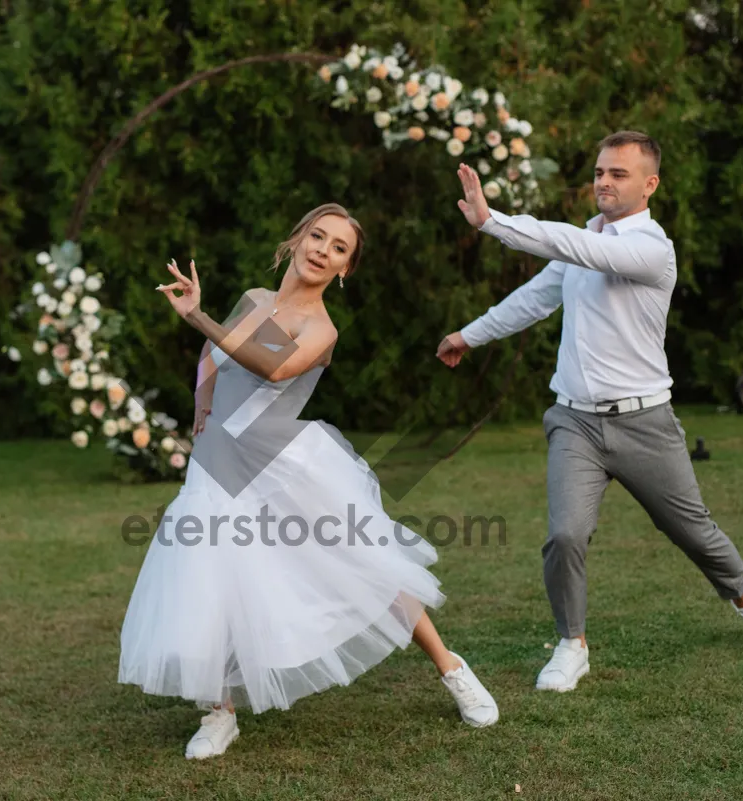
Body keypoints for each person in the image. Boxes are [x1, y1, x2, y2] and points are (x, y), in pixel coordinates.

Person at [118, 203, 498, 760]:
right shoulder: (255, 300)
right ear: (296, 240)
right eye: (317, 236)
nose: (323, 249)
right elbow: (215, 354)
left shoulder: (318, 327)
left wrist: (199, 317)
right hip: (219, 464)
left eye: (339, 248)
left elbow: (266, 365)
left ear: (344, 269)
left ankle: (453, 669)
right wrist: (202, 403)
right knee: (211, 581)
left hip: (283, 465)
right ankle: (219, 712)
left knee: (366, 563)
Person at [436, 131, 743, 693]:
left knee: (693, 532)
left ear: (649, 184)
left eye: (619, 174)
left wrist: (493, 222)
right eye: (600, 172)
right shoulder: (584, 240)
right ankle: (571, 644)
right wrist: (469, 334)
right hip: (575, 421)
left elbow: (579, 250)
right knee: (565, 535)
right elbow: (535, 299)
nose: (604, 182)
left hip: (645, 424)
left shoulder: (650, 248)